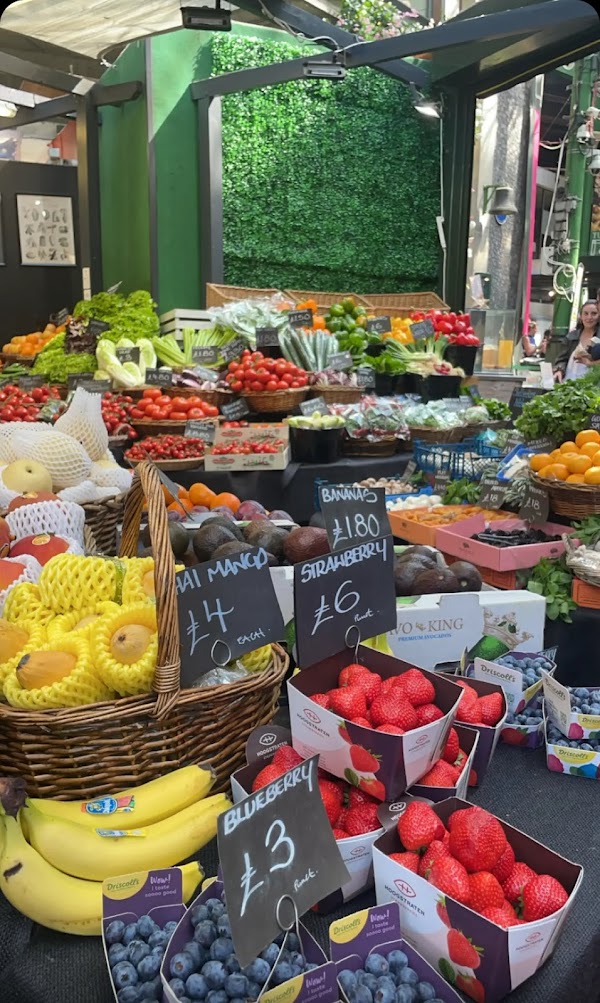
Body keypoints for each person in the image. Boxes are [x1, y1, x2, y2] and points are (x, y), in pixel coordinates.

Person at [554, 300, 600, 382]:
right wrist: (559, 370)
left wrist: (591, 362)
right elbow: (562, 359)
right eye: (585, 313)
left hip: (592, 385)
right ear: (580, 316)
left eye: (594, 313)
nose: (589, 317)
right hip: (569, 382)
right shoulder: (571, 336)